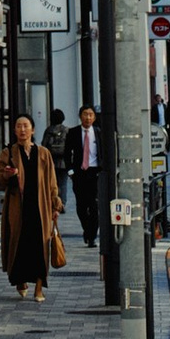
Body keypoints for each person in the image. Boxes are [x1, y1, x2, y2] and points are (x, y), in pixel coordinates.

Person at [0, 114, 61, 302]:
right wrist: (8, 175)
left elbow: (52, 182)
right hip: (17, 209)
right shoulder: (8, 153)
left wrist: (54, 205)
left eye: (26, 126)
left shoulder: (43, 153)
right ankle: (20, 280)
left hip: (39, 208)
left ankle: (39, 288)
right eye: (19, 126)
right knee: (18, 246)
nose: (22, 130)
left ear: (33, 130)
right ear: (15, 130)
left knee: (40, 248)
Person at [65, 103, 101, 247]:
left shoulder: (98, 132)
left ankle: (91, 236)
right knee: (81, 206)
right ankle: (87, 230)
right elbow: (67, 153)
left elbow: (104, 151)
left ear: (94, 117)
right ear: (80, 116)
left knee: (94, 206)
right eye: (85, 114)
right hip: (79, 173)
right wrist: (70, 171)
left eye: (90, 114)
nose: (88, 117)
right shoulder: (73, 132)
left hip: (94, 172)